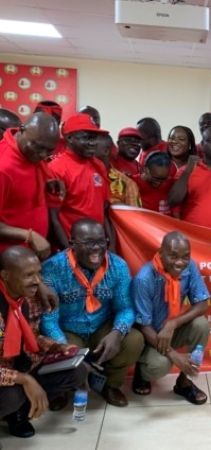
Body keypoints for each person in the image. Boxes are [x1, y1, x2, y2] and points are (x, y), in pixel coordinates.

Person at [41, 219, 144, 407]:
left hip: (101, 327)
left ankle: (110, 385)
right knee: (52, 347)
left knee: (133, 340)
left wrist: (117, 332)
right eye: (88, 243)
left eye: (101, 242)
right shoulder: (52, 268)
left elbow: (126, 308)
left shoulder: (118, 266)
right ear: (72, 244)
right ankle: (62, 389)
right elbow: (49, 320)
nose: (96, 248)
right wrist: (66, 349)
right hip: (68, 331)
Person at [0, 247, 87, 438]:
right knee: (12, 396)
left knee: (77, 370)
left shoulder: (27, 299)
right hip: (6, 374)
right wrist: (24, 379)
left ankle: (19, 414)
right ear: (5, 276)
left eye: (38, 273)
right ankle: (13, 406)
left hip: (22, 364)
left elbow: (30, 336)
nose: (37, 281)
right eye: (28, 275)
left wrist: (57, 347)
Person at [131, 232, 210, 403]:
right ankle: (142, 372)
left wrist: (173, 323)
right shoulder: (144, 279)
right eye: (173, 256)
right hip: (150, 336)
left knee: (202, 325)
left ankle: (184, 382)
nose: (180, 262)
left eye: (185, 256)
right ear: (161, 253)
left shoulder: (190, 267)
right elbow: (143, 326)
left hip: (170, 329)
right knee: (160, 366)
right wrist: (174, 356)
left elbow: (203, 304)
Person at [47, 113, 113, 249]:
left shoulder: (99, 165)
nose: (92, 143)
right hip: (73, 247)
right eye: (87, 137)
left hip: (97, 248)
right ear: (69, 138)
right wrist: (69, 251)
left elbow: (103, 211)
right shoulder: (56, 168)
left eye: (94, 138)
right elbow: (53, 218)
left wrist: (111, 245)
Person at [0, 112, 59, 258]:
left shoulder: (32, 154)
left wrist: (49, 182)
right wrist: (28, 235)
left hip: (32, 253)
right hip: (10, 258)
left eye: (49, 151)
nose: (43, 155)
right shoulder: (3, 168)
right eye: (38, 147)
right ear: (21, 130)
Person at [95, 134, 141, 207]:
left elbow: (135, 212)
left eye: (93, 147)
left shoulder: (127, 183)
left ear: (106, 151)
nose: (88, 149)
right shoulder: (80, 175)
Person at [133, 151, 175, 215]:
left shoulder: (170, 183)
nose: (159, 182)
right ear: (145, 169)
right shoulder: (132, 183)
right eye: (156, 178)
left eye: (163, 179)